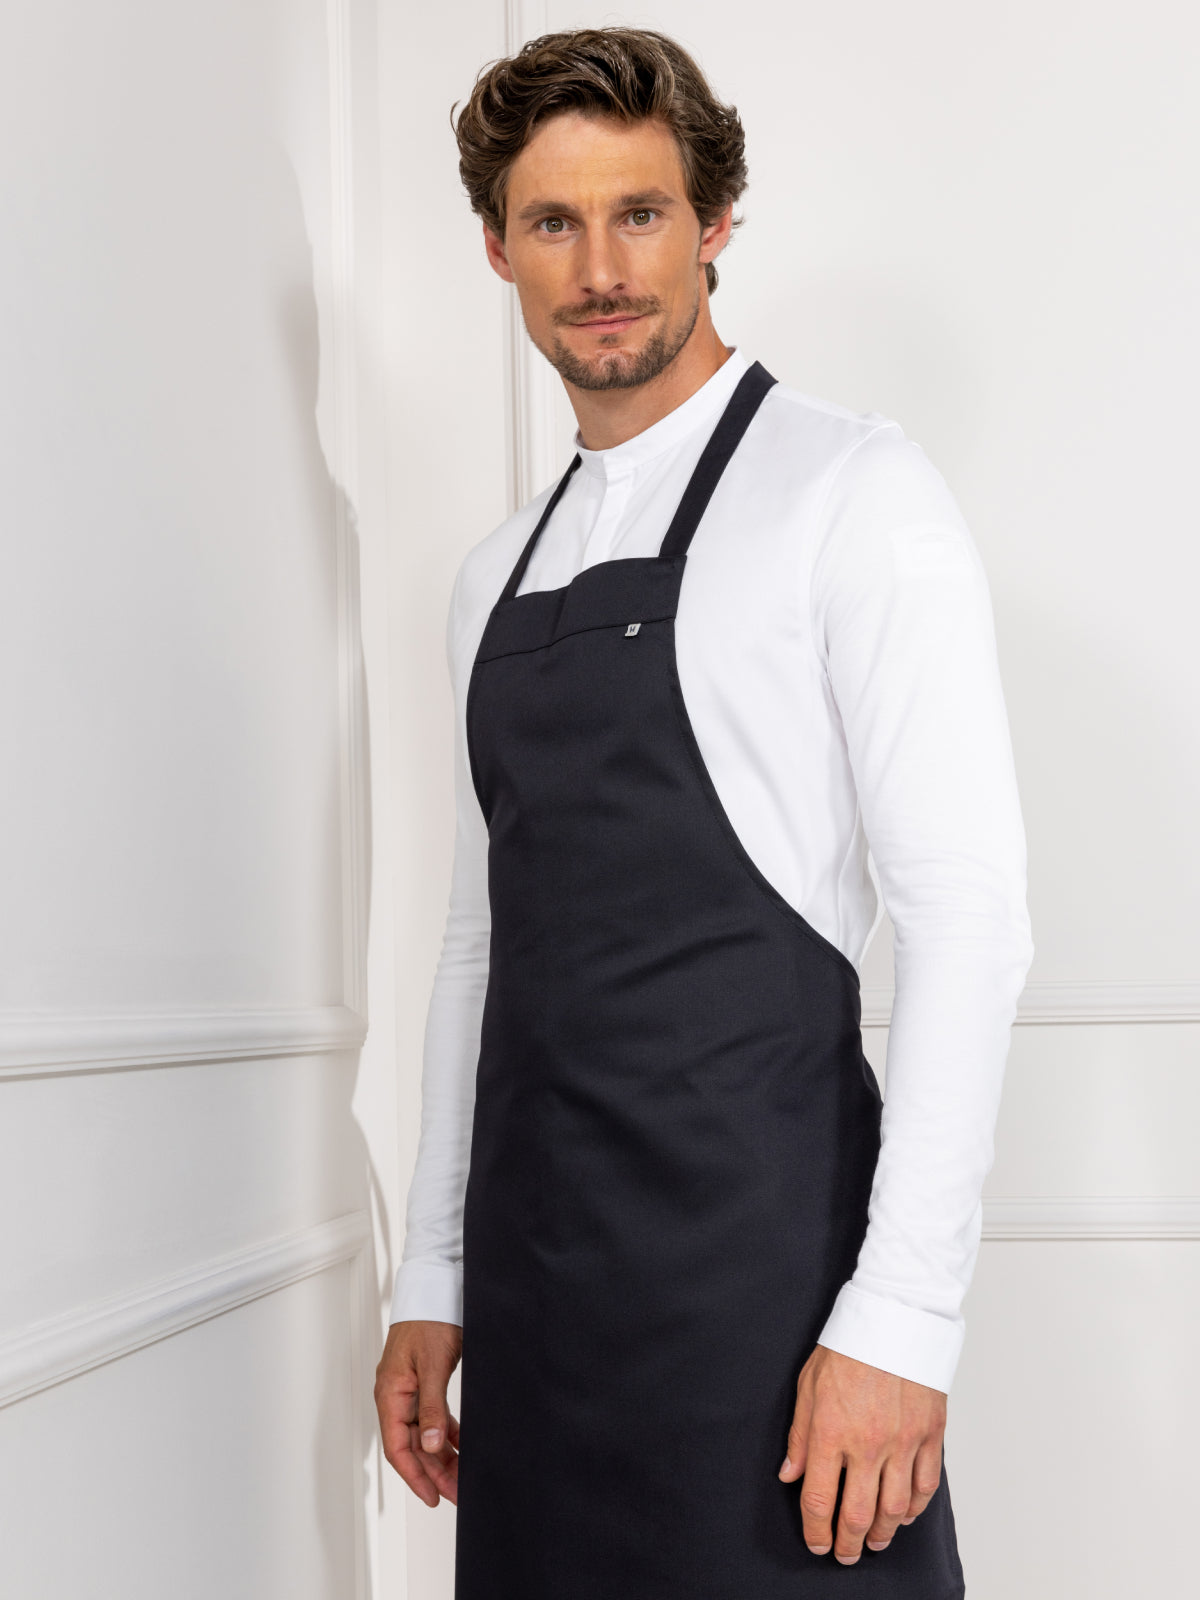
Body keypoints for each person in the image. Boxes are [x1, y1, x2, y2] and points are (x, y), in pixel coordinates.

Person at [374, 25, 1033, 1599]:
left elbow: (970, 923)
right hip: (539, 1300)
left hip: (771, 1299)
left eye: (642, 213)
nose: (602, 269)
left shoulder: (852, 493)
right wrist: (433, 1273)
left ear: (715, 221)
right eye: (553, 221)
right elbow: (479, 945)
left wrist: (902, 1321)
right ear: (497, 248)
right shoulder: (491, 576)